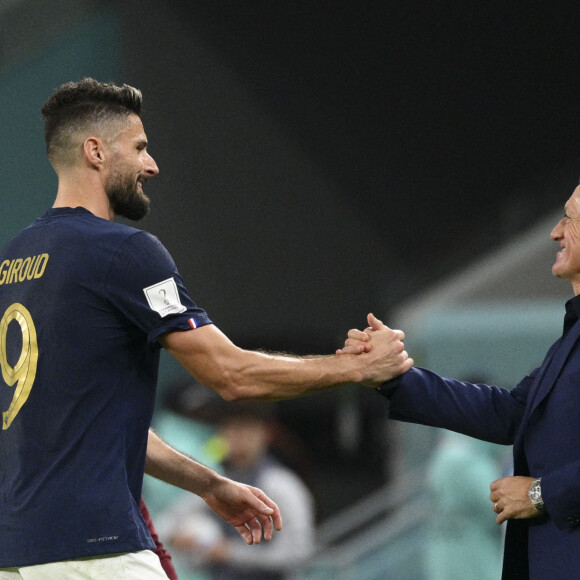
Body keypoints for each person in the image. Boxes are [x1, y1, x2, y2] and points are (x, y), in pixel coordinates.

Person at [0, 78, 412, 579]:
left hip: (20, 553)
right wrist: (355, 368)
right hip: (96, 551)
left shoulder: (14, 260)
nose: (152, 165)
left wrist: (209, 485)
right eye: (140, 148)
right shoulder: (123, 252)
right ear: (95, 152)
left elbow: (106, 430)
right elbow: (230, 374)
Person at [340, 186, 580, 580]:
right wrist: (396, 376)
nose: (555, 232)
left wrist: (541, 493)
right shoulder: (571, 337)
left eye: (569, 218)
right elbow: (511, 412)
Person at [158, 401, 316, 580]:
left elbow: (299, 552)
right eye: (231, 427)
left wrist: (229, 552)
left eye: (247, 428)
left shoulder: (282, 484)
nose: (238, 436)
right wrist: (184, 538)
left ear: (265, 432)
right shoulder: (215, 482)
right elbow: (166, 524)